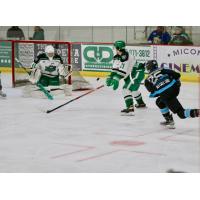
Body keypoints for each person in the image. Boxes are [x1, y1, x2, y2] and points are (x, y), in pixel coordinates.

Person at [144, 60, 199, 129]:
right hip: (175, 88)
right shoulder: (162, 70)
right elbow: (177, 75)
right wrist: (176, 82)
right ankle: (169, 119)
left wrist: (160, 89)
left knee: (181, 114)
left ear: (148, 68)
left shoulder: (147, 80)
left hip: (166, 94)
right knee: (159, 102)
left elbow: (152, 91)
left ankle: (197, 112)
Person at [106, 40, 146, 116]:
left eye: (116, 48)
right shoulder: (117, 56)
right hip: (131, 73)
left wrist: (116, 79)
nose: (115, 49)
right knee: (133, 90)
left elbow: (123, 71)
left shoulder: (126, 56)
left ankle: (130, 108)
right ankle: (141, 103)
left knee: (126, 89)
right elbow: (115, 69)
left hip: (137, 72)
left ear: (119, 48)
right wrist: (110, 77)